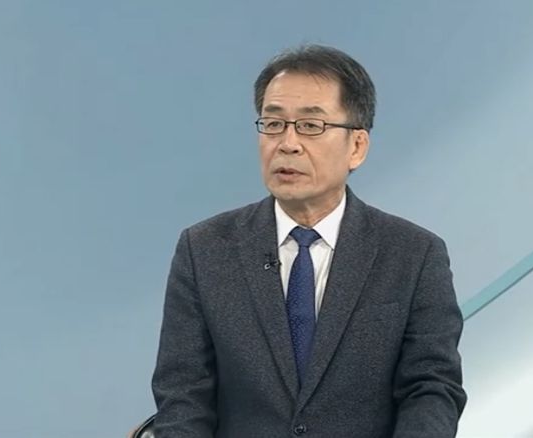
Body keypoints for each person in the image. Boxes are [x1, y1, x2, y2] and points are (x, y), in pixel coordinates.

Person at [151, 44, 466, 438]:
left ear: (357, 147)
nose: (288, 143)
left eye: (311, 126)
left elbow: (432, 388)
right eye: (273, 123)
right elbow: (183, 397)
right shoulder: (204, 250)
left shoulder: (414, 254)